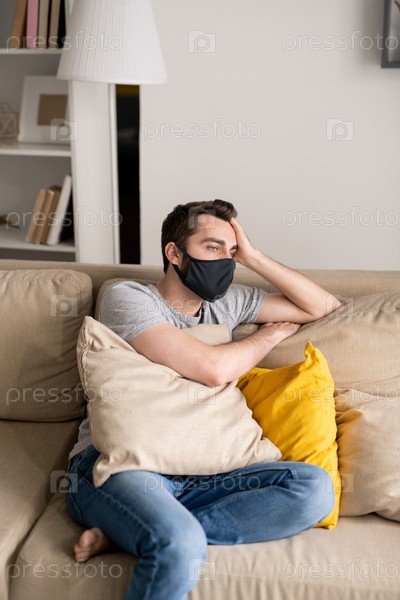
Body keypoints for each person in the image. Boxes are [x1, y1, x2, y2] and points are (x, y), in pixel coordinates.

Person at [66, 199, 342, 600]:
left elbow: (325, 307)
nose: (224, 261)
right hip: (122, 465)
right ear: (174, 253)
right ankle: (160, 531)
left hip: (204, 471)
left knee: (314, 489)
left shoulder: (226, 302)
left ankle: (132, 532)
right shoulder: (127, 298)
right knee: (180, 545)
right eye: (213, 248)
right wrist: (266, 336)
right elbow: (212, 369)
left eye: (231, 252)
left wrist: (252, 256)